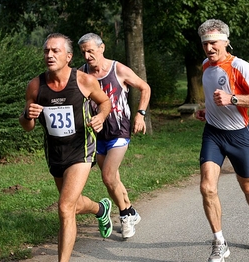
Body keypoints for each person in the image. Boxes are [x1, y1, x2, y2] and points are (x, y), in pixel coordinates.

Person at [19, 33, 113, 262]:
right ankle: (101, 210)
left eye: (55, 51)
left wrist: (101, 116)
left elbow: (105, 102)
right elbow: (27, 126)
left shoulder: (84, 81)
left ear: (68, 57)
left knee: (64, 207)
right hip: (55, 153)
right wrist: (26, 116)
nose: (49, 55)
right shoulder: (36, 85)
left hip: (81, 150)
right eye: (46, 51)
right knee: (72, 202)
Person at [195, 19, 249, 262]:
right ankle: (219, 241)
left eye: (213, 43)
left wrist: (233, 99)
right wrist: (206, 110)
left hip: (238, 135)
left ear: (226, 42)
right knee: (207, 187)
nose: (209, 48)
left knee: (248, 185)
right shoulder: (206, 65)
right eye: (205, 43)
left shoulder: (240, 66)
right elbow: (212, 97)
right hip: (213, 133)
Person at [77, 33, 151, 238]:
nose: (87, 56)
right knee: (112, 180)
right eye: (83, 52)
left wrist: (140, 114)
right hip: (97, 134)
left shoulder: (117, 69)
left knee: (108, 176)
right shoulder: (81, 73)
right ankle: (130, 209)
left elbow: (145, 87)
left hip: (119, 131)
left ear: (102, 48)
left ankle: (125, 216)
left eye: (91, 51)